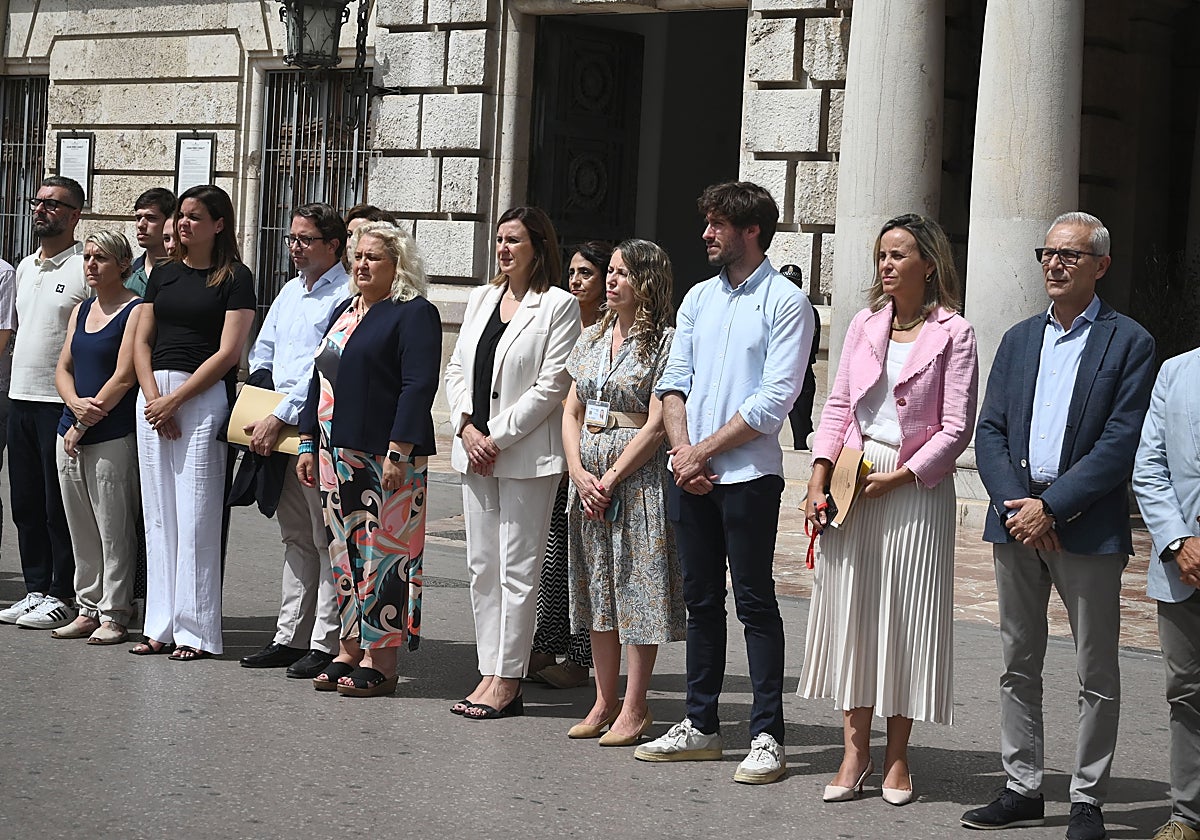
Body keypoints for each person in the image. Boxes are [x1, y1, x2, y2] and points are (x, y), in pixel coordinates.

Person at [964, 212, 1155, 840]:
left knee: (1094, 671)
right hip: (1017, 521)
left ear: (1100, 265)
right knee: (1018, 661)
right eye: (1047, 253)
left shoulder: (1129, 342)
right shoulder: (1019, 339)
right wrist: (1020, 505)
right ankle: (1022, 787)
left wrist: (1056, 506)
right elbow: (989, 429)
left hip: (1085, 525)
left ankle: (1086, 799)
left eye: (1070, 256)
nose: (1054, 264)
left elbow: (1120, 439)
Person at [636, 181, 813, 784]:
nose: (705, 234)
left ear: (751, 231)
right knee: (701, 601)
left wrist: (704, 452)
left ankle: (767, 735)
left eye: (716, 225)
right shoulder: (697, 300)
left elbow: (773, 402)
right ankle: (701, 725)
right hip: (691, 472)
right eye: (706, 223)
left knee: (756, 602)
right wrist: (684, 453)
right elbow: (674, 378)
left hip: (748, 477)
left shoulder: (786, 302)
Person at [799, 214, 978, 805]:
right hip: (854, 478)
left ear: (929, 263)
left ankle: (898, 757)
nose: (886, 264)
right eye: (881, 255)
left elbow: (956, 429)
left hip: (915, 489)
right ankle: (854, 752)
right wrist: (818, 478)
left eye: (899, 255)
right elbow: (838, 404)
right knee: (851, 612)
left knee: (904, 619)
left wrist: (901, 477)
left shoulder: (956, 332)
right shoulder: (863, 324)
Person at [443, 206, 582, 720]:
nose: (503, 249)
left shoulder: (558, 306)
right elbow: (456, 367)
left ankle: (509, 679)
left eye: (513, 241)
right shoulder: (481, 297)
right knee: (482, 567)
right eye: (499, 240)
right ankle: (487, 670)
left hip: (524, 456)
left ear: (537, 247)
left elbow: (551, 385)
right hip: (473, 448)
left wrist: (494, 437)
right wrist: (466, 427)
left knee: (517, 569)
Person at [297, 221, 441, 697]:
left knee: (385, 557)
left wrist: (400, 448)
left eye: (373, 257)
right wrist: (305, 442)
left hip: (386, 455)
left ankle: (383, 662)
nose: (361, 264)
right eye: (358, 256)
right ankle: (349, 648)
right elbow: (319, 380)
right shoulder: (346, 309)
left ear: (398, 264)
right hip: (334, 452)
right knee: (345, 555)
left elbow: (417, 385)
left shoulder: (413, 313)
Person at [562, 238, 684, 744]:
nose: (609, 281)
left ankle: (636, 707)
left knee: (637, 591)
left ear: (646, 282)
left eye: (621, 273)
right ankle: (603, 701)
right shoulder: (591, 337)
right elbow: (571, 410)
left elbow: (657, 424)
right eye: (608, 272)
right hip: (587, 485)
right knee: (597, 591)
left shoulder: (665, 341)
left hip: (635, 486)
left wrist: (610, 478)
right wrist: (578, 472)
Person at [130, 184, 256, 660]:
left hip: (200, 398)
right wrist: (153, 397)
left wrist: (176, 399)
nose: (182, 224)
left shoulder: (235, 277)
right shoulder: (162, 275)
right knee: (158, 515)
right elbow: (141, 341)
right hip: (154, 398)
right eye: (180, 216)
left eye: (194, 217)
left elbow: (228, 353)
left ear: (218, 224)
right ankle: (159, 624)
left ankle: (197, 631)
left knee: (197, 514)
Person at [238, 203, 350, 679]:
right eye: (291, 239)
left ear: (333, 245)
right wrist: (262, 407)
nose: (295, 248)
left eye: (305, 240)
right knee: (294, 537)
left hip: (315, 429)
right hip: (276, 429)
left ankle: (325, 641)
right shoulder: (288, 291)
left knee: (325, 539)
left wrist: (280, 414)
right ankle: (289, 636)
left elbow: (323, 367)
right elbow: (265, 351)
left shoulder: (345, 294)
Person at [0, 177, 91, 630]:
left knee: (60, 506)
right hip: (19, 398)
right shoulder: (25, 267)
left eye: (53, 204)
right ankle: (35, 588)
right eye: (37, 202)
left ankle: (63, 592)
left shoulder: (82, 270)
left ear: (75, 215)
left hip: (58, 403)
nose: (41, 210)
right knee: (26, 503)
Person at [51, 231, 143, 645]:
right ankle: (87, 605)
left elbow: (124, 375)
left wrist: (85, 420)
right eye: (88, 257)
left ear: (123, 264)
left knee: (113, 526)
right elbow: (63, 367)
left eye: (100, 258)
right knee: (80, 526)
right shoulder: (82, 308)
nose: (90, 265)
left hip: (109, 432)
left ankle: (115, 610)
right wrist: (73, 406)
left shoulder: (137, 310)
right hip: (69, 432)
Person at [529, 240, 611, 690]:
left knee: (582, 557)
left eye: (587, 273)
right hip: (557, 447)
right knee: (553, 555)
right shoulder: (558, 317)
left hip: (590, 453)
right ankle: (548, 640)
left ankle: (580, 658)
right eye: (573, 272)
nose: (576, 281)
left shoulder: (606, 329)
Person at [1131, 353, 1200, 840]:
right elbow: (1149, 465)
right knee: (1187, 693)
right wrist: (1177, 541)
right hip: (1185, 567)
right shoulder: (1176, 371)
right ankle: (1187, 814)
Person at [781, 263, 821, 449]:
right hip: (774, 371)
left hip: (801, 372)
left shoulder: (809, 311)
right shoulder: (771, 309)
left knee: (802, 429)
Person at [127, 188, 176, 296]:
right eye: (138, 218)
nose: (141, 225)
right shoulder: (125, 272)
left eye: (151, 218)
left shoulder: (185, 272)